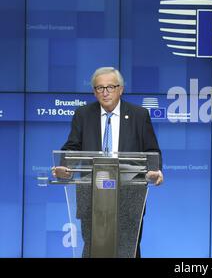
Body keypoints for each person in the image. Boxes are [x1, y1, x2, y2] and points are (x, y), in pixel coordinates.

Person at [52, 66, 163, 258]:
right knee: (93, 250)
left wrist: (154, 171)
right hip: (91, 197)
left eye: (110, 87)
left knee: (128, 250)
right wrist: (65, 166)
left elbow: (152, 151)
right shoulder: (83, 114)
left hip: (130, 197)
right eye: (99, 88)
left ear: (120, 89)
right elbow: (72, 147)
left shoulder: (139, 115)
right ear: (94, 91)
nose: (105, 92)